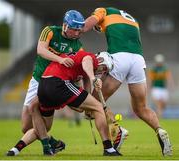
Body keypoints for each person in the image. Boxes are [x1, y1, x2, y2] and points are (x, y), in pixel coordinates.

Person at [83, 7, 172, 156]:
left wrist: (74, 29)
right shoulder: (131, 19)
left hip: (120, 57)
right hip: (138, 60)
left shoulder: (103, 10)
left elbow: (86, 25)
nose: (100, 29)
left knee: (93, 102)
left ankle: (118, 131)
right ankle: (159, 130)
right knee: (141, 108)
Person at [6, 10, 85, 156]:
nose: (76, 33)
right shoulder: (49, 31)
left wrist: (83, 91)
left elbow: (79, 70)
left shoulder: (77, 46)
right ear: (65, 26)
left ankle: (44, 148)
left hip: (52, 84)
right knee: (26, 127)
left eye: (79, 30)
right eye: (74, 29)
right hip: (37, 80)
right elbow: (40, 50)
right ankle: (52, 143)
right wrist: (60, 59)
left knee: (37, 114)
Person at [32, 50, 120, 156]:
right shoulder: (92, 58)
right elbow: (87, 61)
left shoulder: (84, 68)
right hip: (58, 83)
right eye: (104, 69)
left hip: (44, 85)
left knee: (46, 127)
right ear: (101, 61)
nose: (102, 72)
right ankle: (108, 148)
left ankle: (43, 147)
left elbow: (86, 88)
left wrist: (88, 106)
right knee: (98, 107)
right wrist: (93, 78)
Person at [148, 54, 174, 118]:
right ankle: (159, 117)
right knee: (159, 104)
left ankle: (158, 114)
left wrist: (171, 85)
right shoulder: (153, 70)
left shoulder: (165, 69)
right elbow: (150, 79)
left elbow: (169, 78)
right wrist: (148, 88)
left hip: (163, 89)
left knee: (164, 104)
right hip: (156, 88)